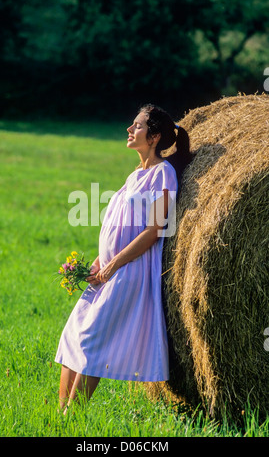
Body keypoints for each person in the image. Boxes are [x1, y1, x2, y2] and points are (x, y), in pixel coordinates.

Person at [55, 104, 193, 414]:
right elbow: (119, 223)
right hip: (107, 269)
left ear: (154, 136)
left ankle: (71, 419)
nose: (129, 130)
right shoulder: (134, 175)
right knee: (75, 335)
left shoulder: (163, 174)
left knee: (91, 341)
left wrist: (115, 262)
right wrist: (97, 261)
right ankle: (59, 418)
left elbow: (155, 230)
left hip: (130, 270)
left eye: (137, 126)